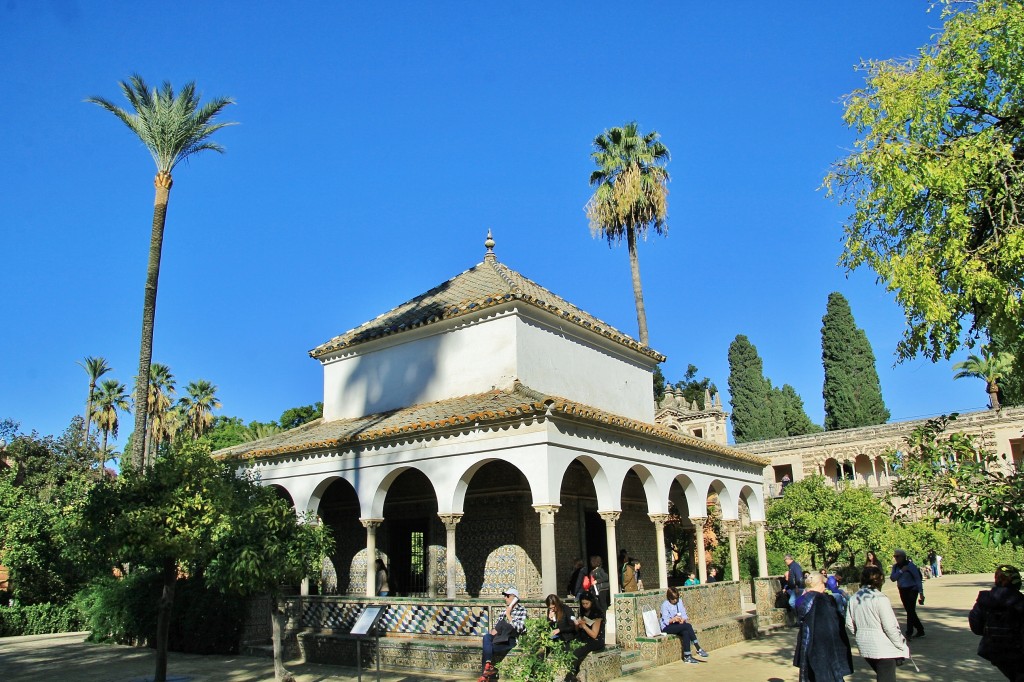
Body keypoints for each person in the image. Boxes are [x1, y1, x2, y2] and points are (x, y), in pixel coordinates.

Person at [846, 565, 910, 682]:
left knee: (883, 675)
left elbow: (849, 623)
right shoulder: (881, 598)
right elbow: (890, 627)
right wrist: (901, 645)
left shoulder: (854, 598)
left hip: (865, 645)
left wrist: (860, 634)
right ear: (880, 580)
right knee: (886, 678)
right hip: (883, 648)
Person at [793, 572, 854, 682]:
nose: (825, 587)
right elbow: (834, 622)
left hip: (806, 641)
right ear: (820, 583)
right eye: (824, 584)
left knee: (809, 675)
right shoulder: (824, 600)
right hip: (824, 644)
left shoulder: (800, 600)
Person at [969, 564, 1024, 681]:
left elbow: (976, 626)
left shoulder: (985, 600)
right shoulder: (1020, 601)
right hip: (1017, 651)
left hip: (994, 650)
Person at [479, 587, 527, 681]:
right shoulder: (503, 612)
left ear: (514, 597)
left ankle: (485, 675)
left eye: (507, 596)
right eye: (505, 596)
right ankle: (488, 668)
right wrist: (494, 630)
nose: (505, 598)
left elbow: (520, 629)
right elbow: (497, 627)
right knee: (487, 637)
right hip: (499, 637)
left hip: (509, 640)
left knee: (487, 649)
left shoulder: (522, 611)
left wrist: (508, 615)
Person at [660, 586, 709, 664]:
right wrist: (673, 619)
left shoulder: (679, 602)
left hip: (678, 625)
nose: (675, 600)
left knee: (686, 632)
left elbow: (684, 614)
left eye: (676, 598)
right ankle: (698, 647)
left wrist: (682, 619)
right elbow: (666, 621)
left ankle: (687, 656)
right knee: (688, 626)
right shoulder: (665, 605)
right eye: (673, 599)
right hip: (668, 627)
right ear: (669, 598)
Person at [568, 591, 605, 681]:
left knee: (577, 651)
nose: (585, 605)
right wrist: (577, 625)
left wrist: (584, 626)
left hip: (595, 640)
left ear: (591, 602)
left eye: (587, 603)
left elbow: (594, 634)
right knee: (569, 647)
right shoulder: (583, 612)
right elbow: (578, 630)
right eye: (583, 603)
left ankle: (570, 676)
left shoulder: (597, 614)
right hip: (584, 637)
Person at [889, 549, 925, 639]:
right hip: (902, 590)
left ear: (903, 557)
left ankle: (909, 632)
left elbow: (917, 579)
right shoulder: (896, 567)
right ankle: (920, 629)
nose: (895, 558)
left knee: (910, 610)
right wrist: (901, 571)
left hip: (912, 589)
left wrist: (921, 592)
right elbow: (892, 578)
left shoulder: (910, 566)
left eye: (897, 556)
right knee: (909, 611)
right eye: (895, 556)